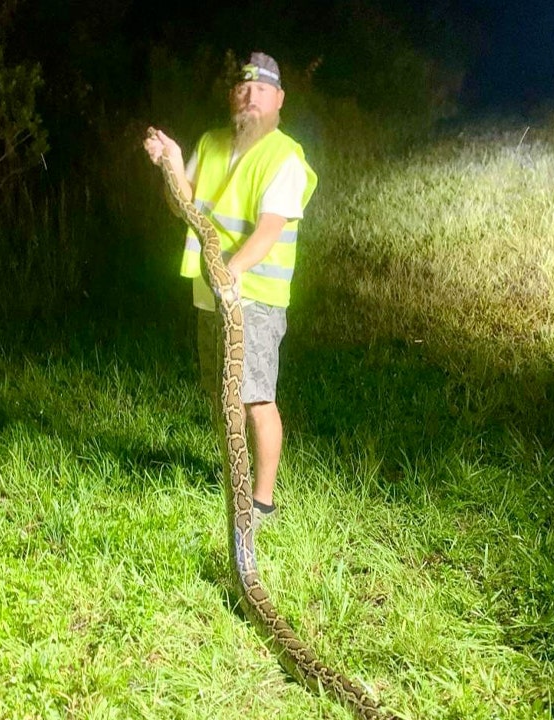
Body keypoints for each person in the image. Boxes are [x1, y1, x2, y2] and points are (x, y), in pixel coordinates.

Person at [143, 52, 318, 529]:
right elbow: (183, 203)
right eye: (243, 88)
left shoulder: (286, 157)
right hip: (210, 294)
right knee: (221, 393)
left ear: (279, 99)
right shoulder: (213, 143)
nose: (250, 96)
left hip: (254, 298)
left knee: (255, 396)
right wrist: (171, 162)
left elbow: (269, 229)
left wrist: (233, 270)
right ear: (232, 97)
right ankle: (233, 478)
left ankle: (261, 502)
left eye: (262, 89)